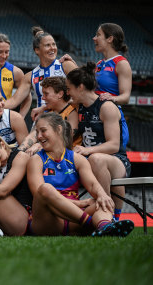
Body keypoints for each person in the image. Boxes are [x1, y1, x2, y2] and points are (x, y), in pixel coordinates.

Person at [27, 112, 133, 237]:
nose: (39, 136)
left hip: (74, 218)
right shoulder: (36, 159)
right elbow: (39, 194)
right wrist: (79, 204)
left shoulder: (77, 158)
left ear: (59, 129)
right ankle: (90, 223)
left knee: (102, 200)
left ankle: (105, 227)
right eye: (37, 132)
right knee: (45, 188)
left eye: (43, 131)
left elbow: (93, 185)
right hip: (49, 220)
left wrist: (102, 195)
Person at [67, 63, 131, 221]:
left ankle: (108, 213)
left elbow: (114, 145)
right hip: (90, 160)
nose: (68, 93)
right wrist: (41, 109)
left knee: (97, 159)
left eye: (69, 88)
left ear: (80, 87)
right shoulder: (78, 106)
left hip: (117, 160)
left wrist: (87, 150)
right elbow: (56, 102)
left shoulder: (106, 107)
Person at [4, 27, 77, 119]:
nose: (52, 48)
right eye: (47, 45)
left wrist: (45, 107)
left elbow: (82, 91)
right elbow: (14, 101)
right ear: (37, 50)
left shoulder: (66, 65)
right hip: (41, 121)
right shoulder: (30, 76)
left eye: (54, 44)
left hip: (65, 119)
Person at [19, 76, 80, 155]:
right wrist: (19, 150)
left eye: (46, 94)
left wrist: (39, 145)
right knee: (22, 155)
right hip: (50, 152)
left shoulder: (72, 112)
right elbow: (33, 135)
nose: (43, 98)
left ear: (60, 94)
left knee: (36, 153)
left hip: (68, 156)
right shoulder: (48, 112)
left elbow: (65, 139)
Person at [93, 23, 131, 149]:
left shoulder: (121, 64)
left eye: (98, 35)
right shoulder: (99, 64)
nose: (94, 38)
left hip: (112, 120)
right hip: (94, 119)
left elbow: (125, 97)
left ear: (110, 39)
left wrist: (112, 98)